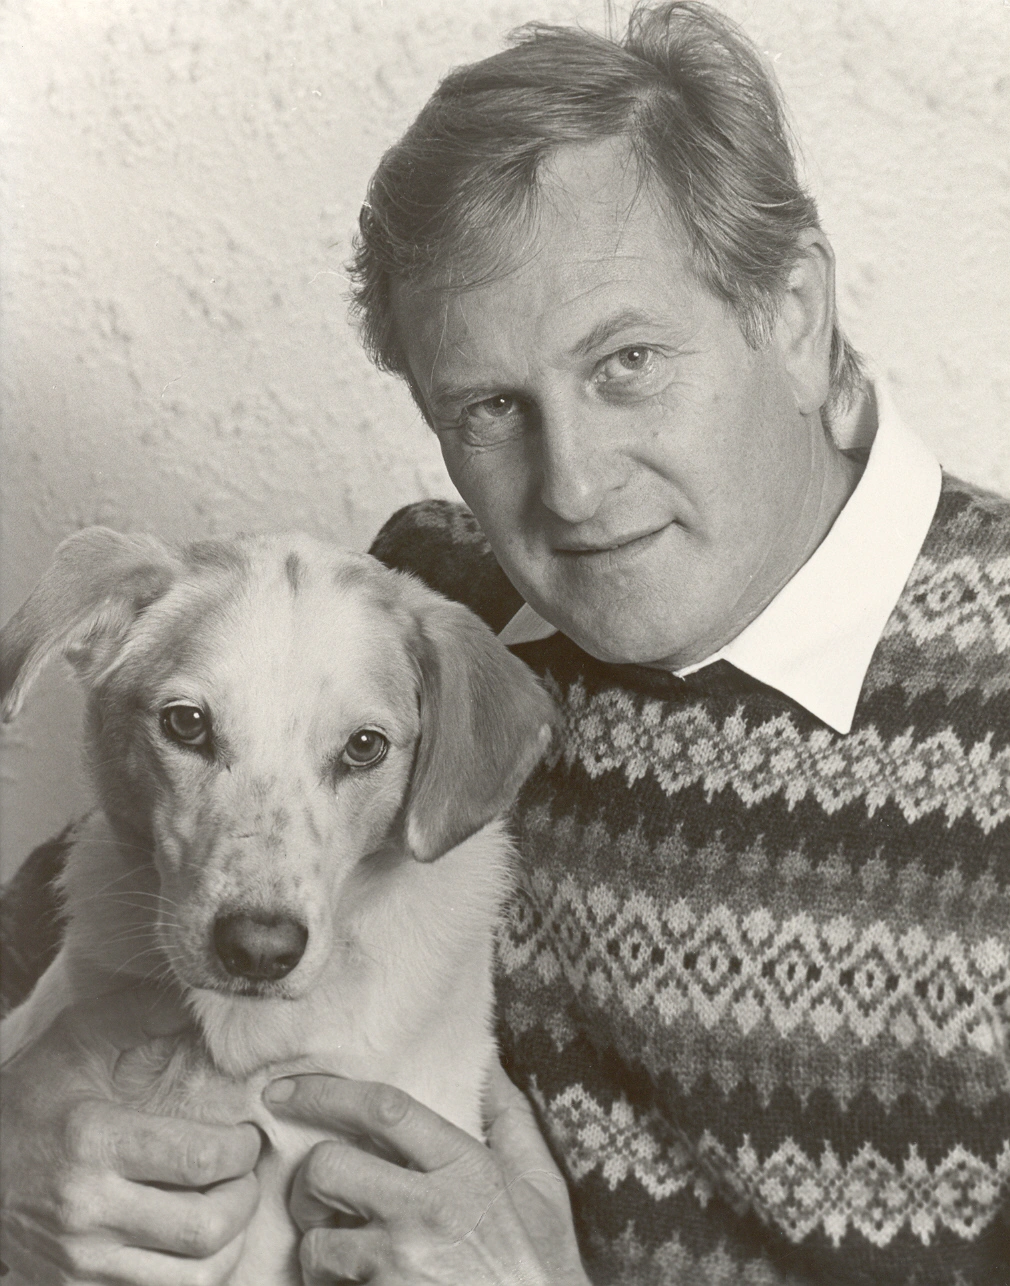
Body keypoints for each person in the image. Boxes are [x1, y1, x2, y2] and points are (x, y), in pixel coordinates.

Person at [2, 2, 1007, 1283]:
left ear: (794, 314)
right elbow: (92, 896)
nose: (574, 486)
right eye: (487, 406)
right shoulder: (422, 610)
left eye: (626, 360)